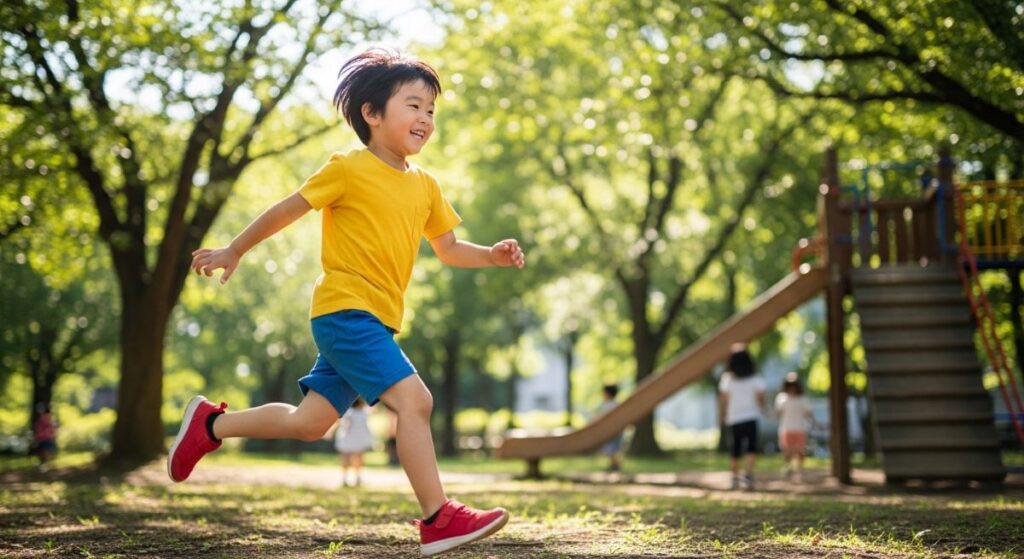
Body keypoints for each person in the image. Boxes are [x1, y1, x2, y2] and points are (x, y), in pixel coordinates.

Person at [167, 49, 524, 556]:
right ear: (371, 114)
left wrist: (491, 254)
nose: (425, 118)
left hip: (374, 319)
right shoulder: (349, 168)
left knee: (309, 423)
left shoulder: (426, 186)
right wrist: (234, 249)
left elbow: (447, 248)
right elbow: (287, 209)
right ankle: (439, 518)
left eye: (431, 111)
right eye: (413, 106)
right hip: (344, 309)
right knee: (415, 401)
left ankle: (209, 425)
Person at [718, 344, 765, 490]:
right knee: (751, 447)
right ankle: (749, 475)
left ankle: (734, 477)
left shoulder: (727, 379)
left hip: (734, 418)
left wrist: (722, 415)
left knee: (735, 448)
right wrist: (765, 409)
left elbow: (723, 400)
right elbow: (760, 398)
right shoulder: (755, 378)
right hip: (751, 416)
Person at [775, 372, 815, 480]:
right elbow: (778, 414)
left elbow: (808, 413)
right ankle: (787, 467)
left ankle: (800, 469)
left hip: (799, 428)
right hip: (786, 428)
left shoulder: (802, 399)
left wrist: (813, 423)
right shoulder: (782, 398)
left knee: (801, 451)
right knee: (786, 451)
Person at [334, 398, 374, 486]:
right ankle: (356, 478)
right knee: (358, 458)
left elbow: (342, 424)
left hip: (347, 438)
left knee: (346, 458)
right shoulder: (362, 412)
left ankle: (346, 478)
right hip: (356, 438)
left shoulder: (348, 412)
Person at [596, 384, 623, 473]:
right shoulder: (617, 404)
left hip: (611, 431)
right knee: (613, 449)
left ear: (607, 394)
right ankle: (614, 465)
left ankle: (616, 466)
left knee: (612, 449)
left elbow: (600, 416)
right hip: (616, 430)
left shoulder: (608, 405)